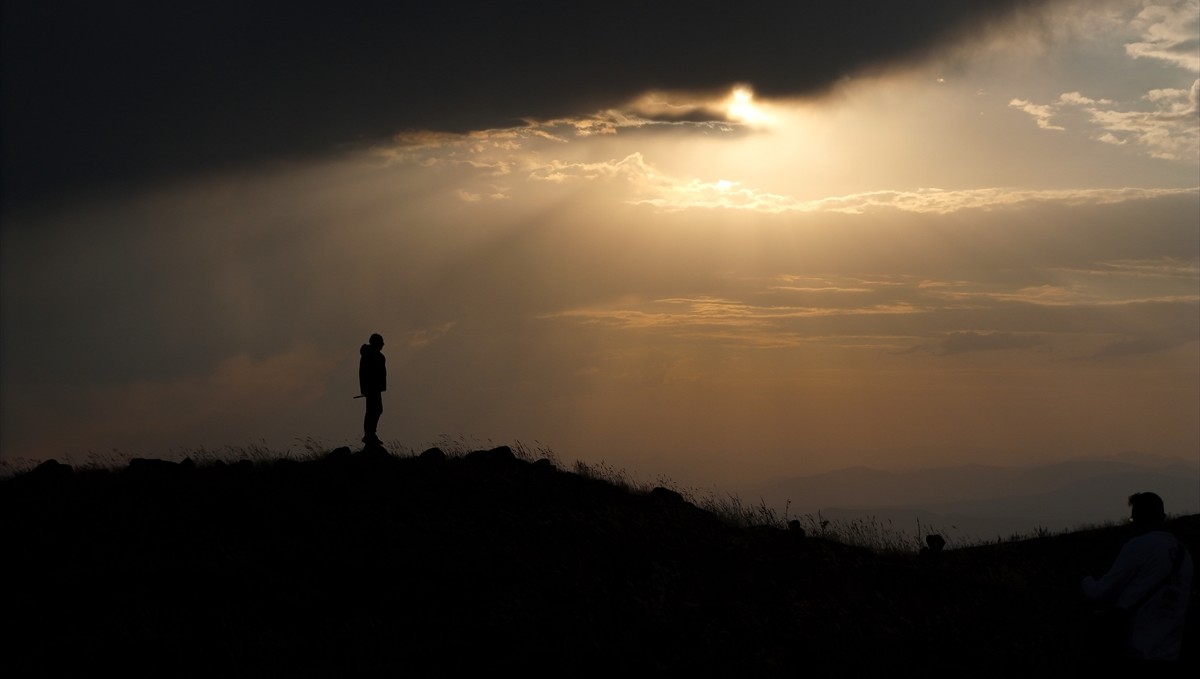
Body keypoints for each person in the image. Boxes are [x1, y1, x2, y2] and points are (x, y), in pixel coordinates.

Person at [1081, 492, 1193, 665]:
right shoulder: (1183, 553)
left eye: (1132, 520)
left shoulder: (1138, 546)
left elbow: (1100, 592)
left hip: (1136, 652)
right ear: (1163, 517)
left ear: (1138, 519)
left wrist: (1084, 580)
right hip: (1171, 652)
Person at [358, 333, 386, 445]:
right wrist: (367, 388)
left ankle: (370, 434)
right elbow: (365, 373)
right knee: (374, 410)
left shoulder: (374, 355)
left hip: (374, 388)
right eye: (381, 343)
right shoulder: (370, 355)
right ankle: (369, 434)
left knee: (376, 410)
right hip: (372, 388)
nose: (383, 345)